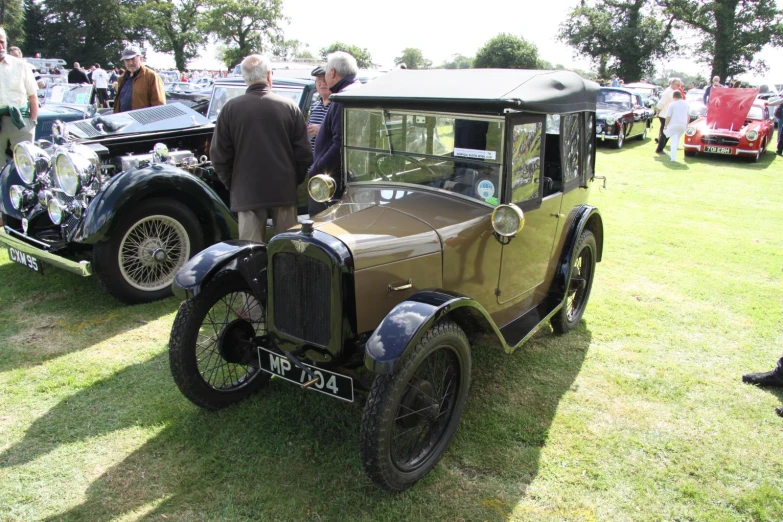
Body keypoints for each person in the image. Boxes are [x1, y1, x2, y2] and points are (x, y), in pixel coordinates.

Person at [210, 54, 312, 241]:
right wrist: (292, 180)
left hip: (247, 191)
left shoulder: (230, 109)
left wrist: (234, 184)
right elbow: (304, 153)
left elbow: (219, 156)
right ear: (268, 76)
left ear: (244, 78)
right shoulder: (289, 107)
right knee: (287, 251)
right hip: (283, 190)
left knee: (250, 255)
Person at [308, 51, 361, 215]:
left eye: (326, 72)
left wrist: (315, 169)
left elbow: (340, 144)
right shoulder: (356, 91)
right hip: (349, 177)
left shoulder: (342, 98)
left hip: (333, 182)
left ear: (332, 72)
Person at [0, 27, 39, 168]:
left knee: (25, 166)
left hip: (20, 121)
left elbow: (33, 96)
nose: (0, 46)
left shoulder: (20, 65)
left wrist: (32, 123)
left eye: (2, 42)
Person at [113, 46, 165, 113]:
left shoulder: (151, 76)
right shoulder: (122, 78)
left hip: (142, 122)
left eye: (133, 59)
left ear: (140, 58)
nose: (130, 63)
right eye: (127, 60)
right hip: (123, 121)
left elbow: (159, 105)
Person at [655, 77, 683, 154]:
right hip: (665, 115)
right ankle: (659, 149)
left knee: (668, 132)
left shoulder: (674, 91)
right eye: (678, 85)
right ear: (673, 84)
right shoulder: (668, 92)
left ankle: (661, 148)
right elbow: (661, 103)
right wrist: (658, 112)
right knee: (665, 132)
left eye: (680, 85)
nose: (679, 87)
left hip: (669, 115)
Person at [307, 65, 331, 151]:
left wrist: (321, 131)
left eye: (325, 80)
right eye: (319, 80)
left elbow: (344, 136)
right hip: (313, 160)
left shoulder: (337, 107)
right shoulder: (314, 106)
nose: (322, 83)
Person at [662, 90, 689, 161]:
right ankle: (673, 155)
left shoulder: (672, 104)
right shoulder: (686, 104)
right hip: (683, 124)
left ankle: (673, 157)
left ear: (674, 97)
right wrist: (687, 124)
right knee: (677, 140)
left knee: (674, 140)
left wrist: (665, 125)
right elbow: (688, 115)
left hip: (674, 124)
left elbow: (668, 116)